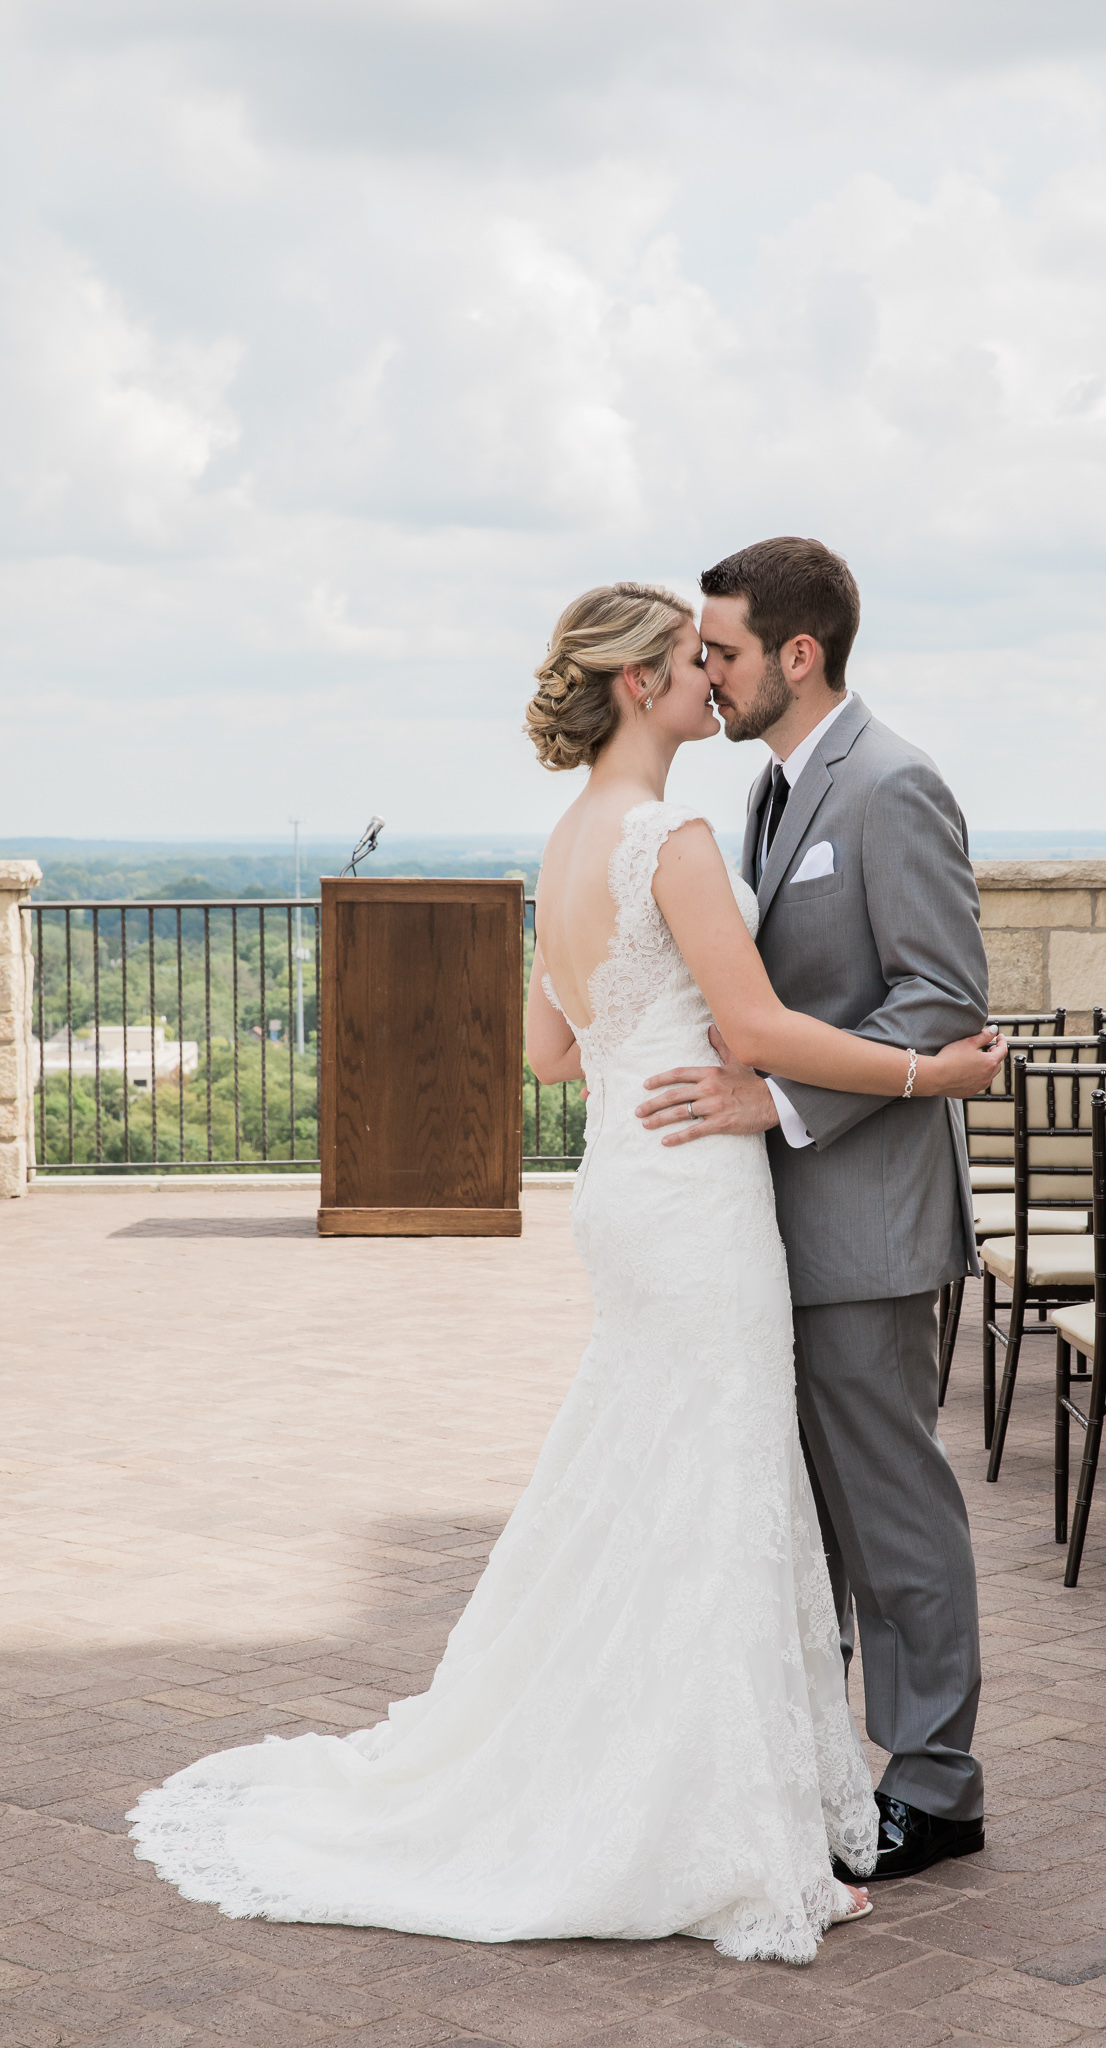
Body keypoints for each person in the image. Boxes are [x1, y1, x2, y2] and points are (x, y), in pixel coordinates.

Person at [127, 577, 1003, 1964]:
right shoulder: (677, 832)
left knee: (676, 1482)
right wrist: (924, 1071)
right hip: (698, 1196)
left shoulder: (572, 835)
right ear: (637, 686)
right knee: (714, 1491)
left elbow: (551, 1052)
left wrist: (685, 1058)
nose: (708, 678)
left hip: (630, 1183)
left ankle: (712, 1778)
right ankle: (707, 1805)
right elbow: (759, 1024)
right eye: (686, 660)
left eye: (718, 653)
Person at [637, 537, 991, 1881]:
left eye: (720, 651)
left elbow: (939, 999)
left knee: (892, 1515)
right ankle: (832, 1767)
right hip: (774, 1228)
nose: (703, 673)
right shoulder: (777, 794)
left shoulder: (891, 784)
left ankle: (939, 1787)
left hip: (869, 1223)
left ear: (798, 653)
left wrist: (776, 1105)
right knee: (812, 1517)